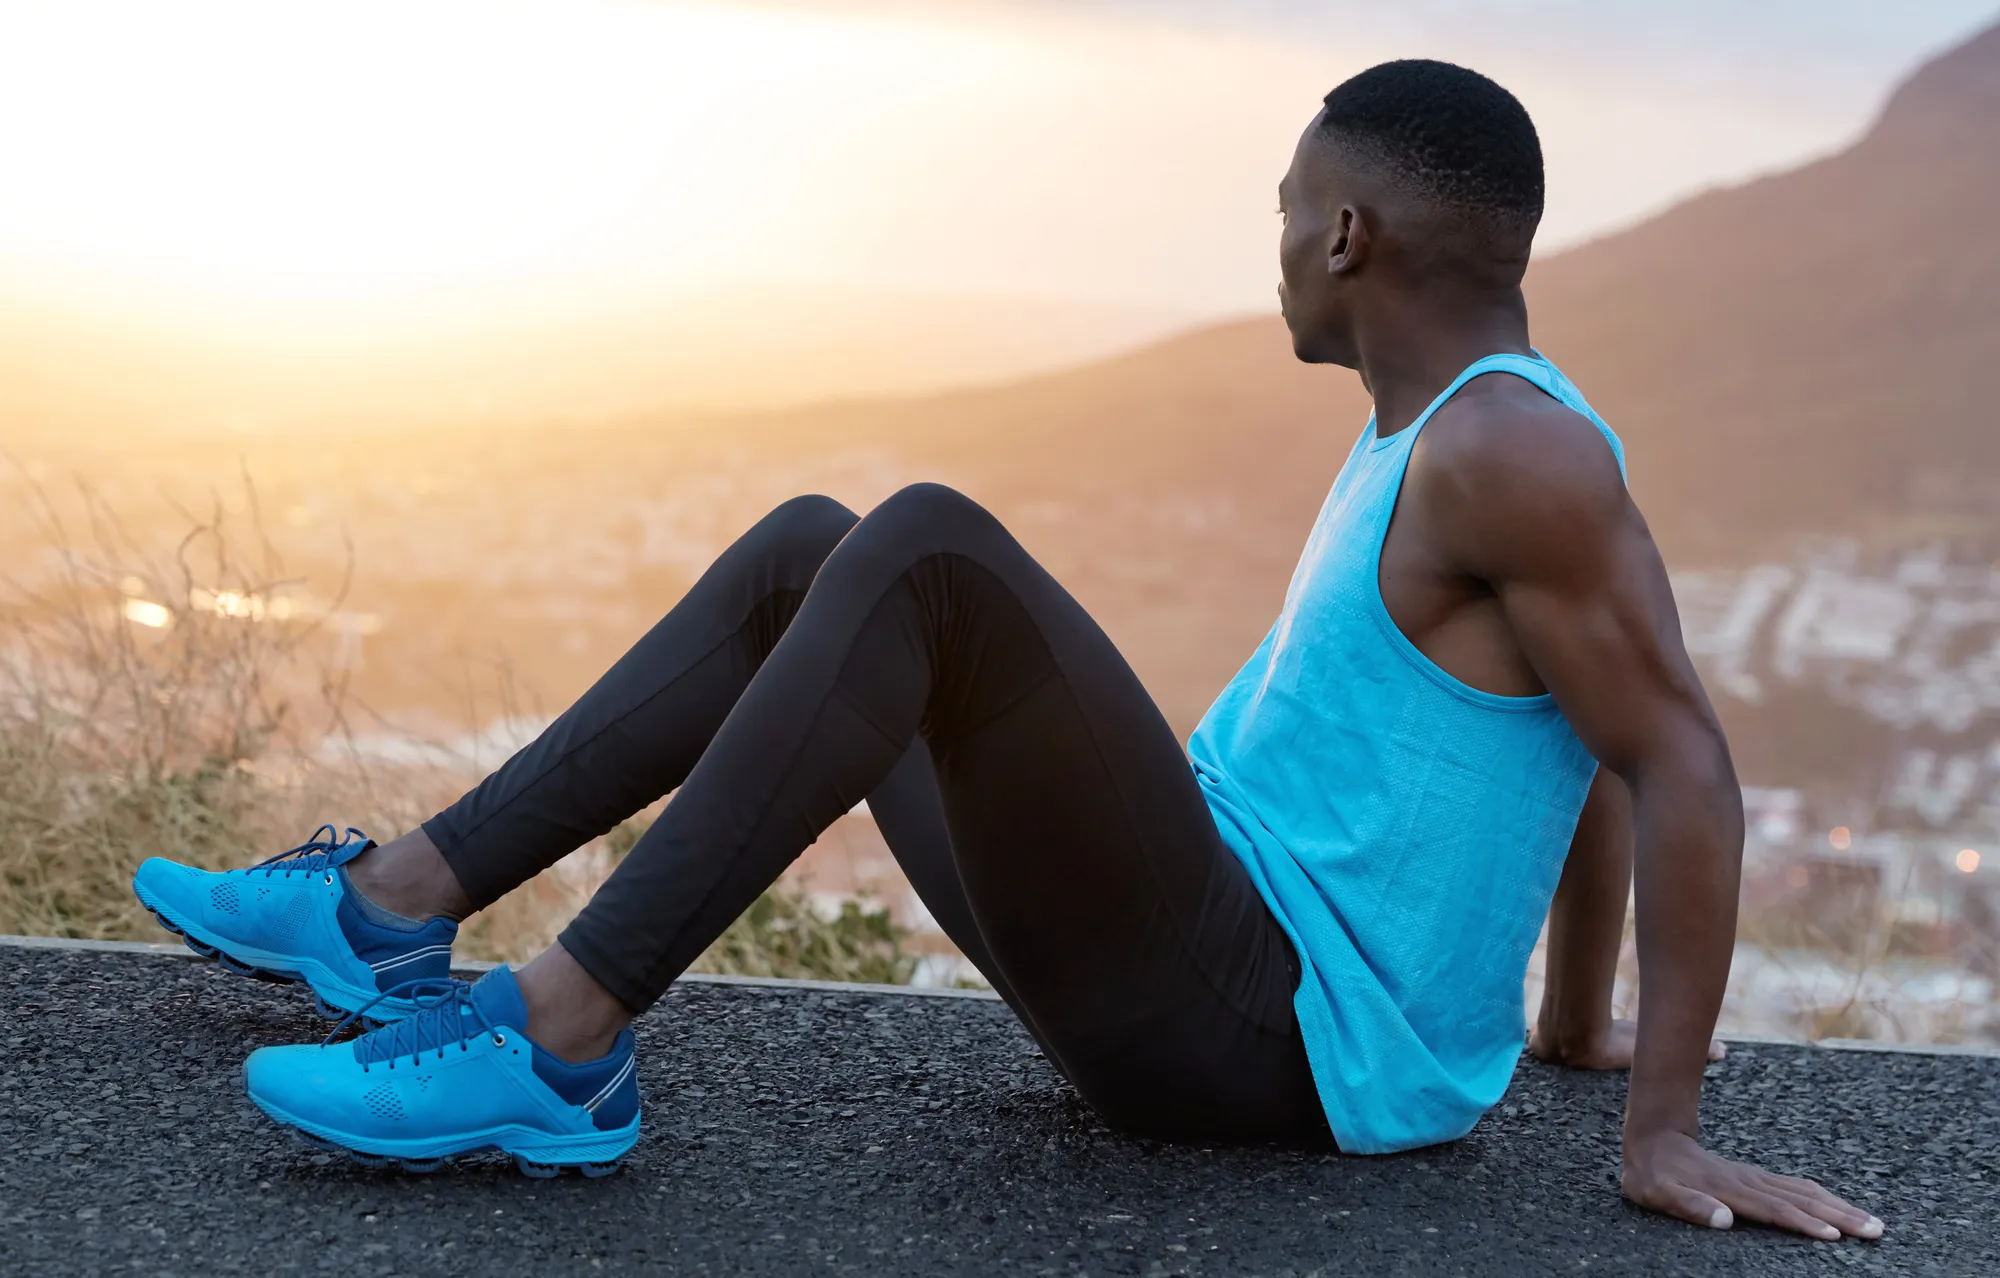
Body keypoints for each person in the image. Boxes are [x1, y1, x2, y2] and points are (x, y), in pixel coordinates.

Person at [133, 59, 1882, 1238]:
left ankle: (556, 1039)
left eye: (1288, 206)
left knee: (934, 551)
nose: (1274, 241)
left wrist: (1655, 1126)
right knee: (824, 547)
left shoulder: (1518, 452)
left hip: (1269, 1033)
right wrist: (1568, 1027)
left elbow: (1680, 760)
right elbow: (1578, 739)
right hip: (1207, 956)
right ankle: (388, 914)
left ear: (1347, 234)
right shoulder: (1442, 435)